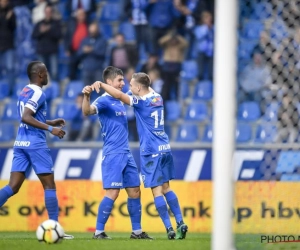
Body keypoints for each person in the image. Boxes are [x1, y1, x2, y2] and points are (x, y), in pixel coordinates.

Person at [90, 72, 188, 240]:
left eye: (132, 85)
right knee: (167, 188)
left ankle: (169, 229)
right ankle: (180, 221)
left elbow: (120, 95)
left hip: (151, 151)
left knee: (157, 192)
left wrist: (101, 84)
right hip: (165, 147)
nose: (129, 87)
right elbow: (135, 89)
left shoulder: (140, 103)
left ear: (139, 88)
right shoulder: (157, 97)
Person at [0, 61, 73, 239]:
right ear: (40, 74)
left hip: (20, 143)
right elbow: (26, 117)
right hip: (36, 145)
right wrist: (51, 130)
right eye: (46, 71)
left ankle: (54, 228)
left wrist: (50, 121)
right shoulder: (39, 92)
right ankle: (55, 229)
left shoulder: (25, 90)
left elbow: (29, 116)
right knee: (49, 186)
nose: (48, 74)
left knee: (13, 187)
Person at [81, 66, 153, 240]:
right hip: (113, 153)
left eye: (123, 80)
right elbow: (87, 111)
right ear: (109, 82)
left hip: (126, 152)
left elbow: (142, 90)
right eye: (119, 80)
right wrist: (87, 96)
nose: (123, 83)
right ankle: (98, 232)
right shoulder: (104, 100)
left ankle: (137, 232)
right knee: (113, 192)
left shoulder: (120, 98)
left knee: (135, 190)